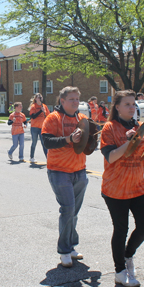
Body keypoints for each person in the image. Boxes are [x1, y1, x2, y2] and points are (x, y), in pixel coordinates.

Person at [100, 90, 144, 287]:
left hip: (137, 186)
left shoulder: (141, 127)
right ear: (117, 107)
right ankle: (119, 270)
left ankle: (128, 255)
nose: (132, 107)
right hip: (115, 188)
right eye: (127, 104)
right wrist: (129, 141)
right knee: (121, 229)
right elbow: (111, 156)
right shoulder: (109, 127)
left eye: (134, 104)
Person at [42, 86, 89, 268]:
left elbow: (87, 145)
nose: (75, 102)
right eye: (71, 99)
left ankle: (70, 245)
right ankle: (64, 250)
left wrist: (91, 139)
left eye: (77, 99)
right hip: (59, 170)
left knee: (74, 211)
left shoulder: (82, 119)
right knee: (68, 209)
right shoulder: (53, 118)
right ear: (62, 101)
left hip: (80, 170)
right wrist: (68, 139)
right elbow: (46, 141)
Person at [28, 93, 50, 162]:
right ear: (35, 98)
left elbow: (48, 116)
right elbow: (33, 116)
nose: (39, 98)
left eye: (40, 97)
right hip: (34, 127)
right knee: (34, 142)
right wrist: (40, 110)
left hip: (42, 127)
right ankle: (31, 157)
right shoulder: (33, 106)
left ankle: (48, 158)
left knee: (44, 143)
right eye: (38, 97)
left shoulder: (44, 106)